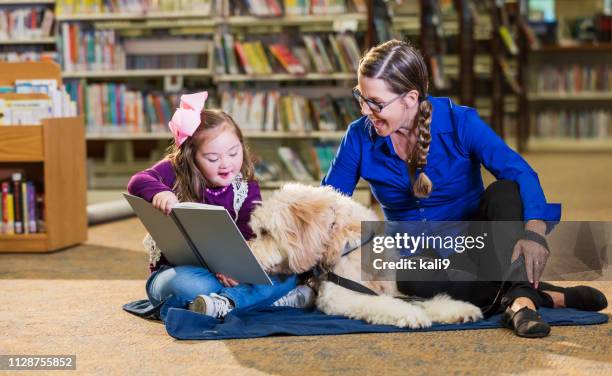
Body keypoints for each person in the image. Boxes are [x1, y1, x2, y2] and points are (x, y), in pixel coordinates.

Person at [322, 40, 607, 338]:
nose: (366, 110)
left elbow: (520, 172)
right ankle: (530, 298)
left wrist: (534, 231)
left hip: (479, 249)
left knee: (506, 190)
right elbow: (328, 200)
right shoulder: (358, 136)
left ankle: (521, 296)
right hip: (415, 261)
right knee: (410, 280)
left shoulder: (460, 122)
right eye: (361, 97)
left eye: (376, 103)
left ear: (410, 98)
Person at [127, 91, 314, 319]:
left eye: (234, 153)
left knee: (289, 272)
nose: (226, 164)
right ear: (191, 157)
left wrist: (236, 268)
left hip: (233, 275)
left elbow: (251, 236)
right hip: (184, 272)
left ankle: (226, 302)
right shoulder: (173, 171)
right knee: (186, 286)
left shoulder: (246, 187)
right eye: (213, 158)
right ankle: (263, 300)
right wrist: (161, 193)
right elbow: (137, 181)